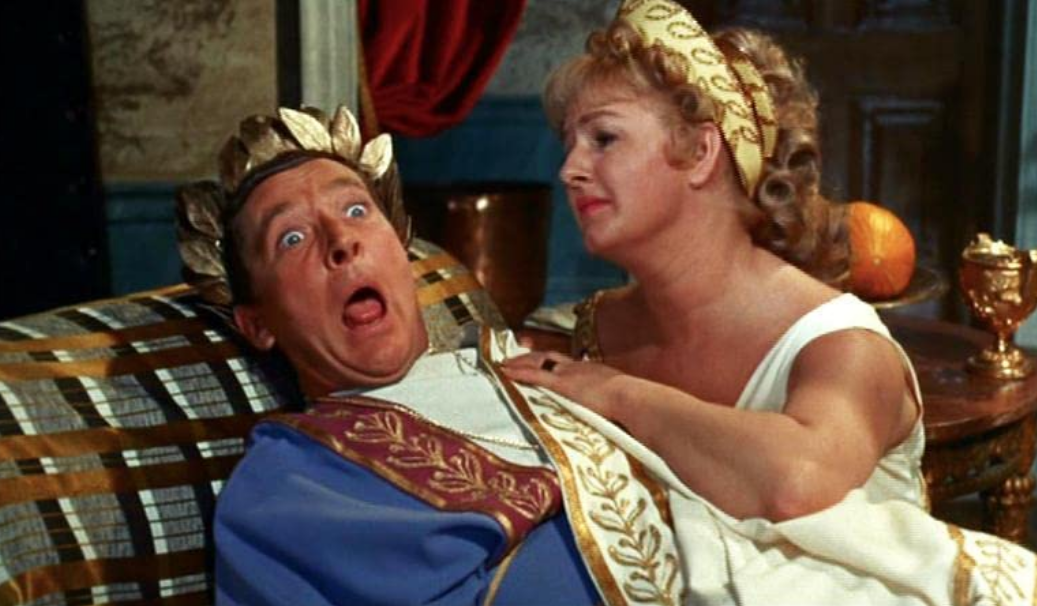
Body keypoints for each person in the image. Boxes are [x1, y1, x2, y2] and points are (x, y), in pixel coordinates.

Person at [500, 0, 1037, 604]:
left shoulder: (840, 342)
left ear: (701, 153)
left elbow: (799, 479)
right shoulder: (595, 327)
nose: (570, 169)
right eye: (569, 144)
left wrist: (620, 394)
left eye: (604, 138)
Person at [198, 106, 684, 605]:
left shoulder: (538, 371)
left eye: (356, 211)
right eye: (292, 238)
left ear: (402, 253)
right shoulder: (285, 489)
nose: (342, 240)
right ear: (258, 324)